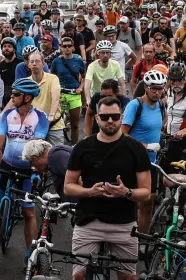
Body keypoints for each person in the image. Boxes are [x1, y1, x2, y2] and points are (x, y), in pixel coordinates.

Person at [64, 96, 151, 280]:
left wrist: (126, 192)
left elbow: (145, 192)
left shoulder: (136, 149)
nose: (110, 120)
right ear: (96, 119)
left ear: (121, 117)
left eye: (114, 116)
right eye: (104, 117)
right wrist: (89, 192)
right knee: (78, 276)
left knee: (127, 277)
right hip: (88, 222)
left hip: (124, 224)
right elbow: (68, 187)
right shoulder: (82, 147)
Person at [0, 78, 49, 269]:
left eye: (15, 94)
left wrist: (34, 171)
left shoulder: (40, 117)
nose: (11, 97)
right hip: (6, 164)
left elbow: (37, 148)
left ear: (27, 97)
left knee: (28, 211)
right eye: (12, 93)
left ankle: (30, 254)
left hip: (26, 169)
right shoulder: (7, 114)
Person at [122, 69, 167, 234]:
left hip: (151, 162)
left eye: (160, 89)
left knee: (149, 201)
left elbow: (161, 124)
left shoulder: (161, 105)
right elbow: (123, 133)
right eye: (154, 88)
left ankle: (142, 238)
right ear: (146, 88)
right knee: (130, 199)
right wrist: (145, 146)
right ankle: (125, 235)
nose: (157, 92)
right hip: (133, 160)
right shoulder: (135, 105)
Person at [50, 36, 86, 144]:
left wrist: (80, 87)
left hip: (74, 94)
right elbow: (51, 77)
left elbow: (84, 77)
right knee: (56, 123)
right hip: (60, 94)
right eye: (64, 46)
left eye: (69, 46)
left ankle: (74, 146)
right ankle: (59, 144)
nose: (67, 48)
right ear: (60, 47)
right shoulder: (56, 61)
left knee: (75, 124)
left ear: (73, 47)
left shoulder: (78, 60)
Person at [84, 41, 126, 105]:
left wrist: (124, 98)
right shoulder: (92, 66)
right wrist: (88, 99)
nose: (105, 55)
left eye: (107, 53)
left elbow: (122, 84)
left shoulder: (115, 64)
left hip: (110, 96)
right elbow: (87, 84)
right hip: (96, 95)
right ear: (98, 53)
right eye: (103, 53)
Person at [0, 37, 20, 107]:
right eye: (4, 46)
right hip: (4, 93)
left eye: (9, 46)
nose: (6, 48)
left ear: (14, 50)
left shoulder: (20, 63)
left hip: (19, 91)